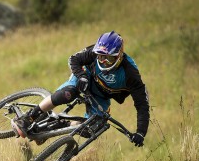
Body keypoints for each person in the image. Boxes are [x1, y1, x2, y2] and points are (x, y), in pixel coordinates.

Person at [14, 31, 149, 147]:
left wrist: (140, 132)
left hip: (101, 97)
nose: (102, 61)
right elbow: (74, 59)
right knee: (67, 94)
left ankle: (55, 127)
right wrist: (82, 76)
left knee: (91, 129)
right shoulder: (94, 52)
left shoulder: (131, 74)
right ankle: (28, 117)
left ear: (118, 55)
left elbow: (142, 105)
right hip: (85, 77)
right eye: (100, 56)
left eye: (107, 58)